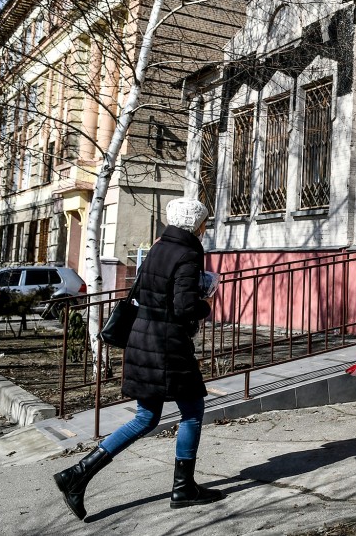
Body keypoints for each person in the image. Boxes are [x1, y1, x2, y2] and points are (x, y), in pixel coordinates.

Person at [53, 198, 224, 520]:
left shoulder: (159, 248)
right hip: (167, 345)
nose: (205, 227)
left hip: (143, 339)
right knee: (191, 412)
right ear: (196, 224)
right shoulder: (187, 253)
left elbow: (146, 294)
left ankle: (78, 474)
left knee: (145, 417)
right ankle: (183, 488)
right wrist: (206, 303)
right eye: (204, 222)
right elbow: (185, 306)